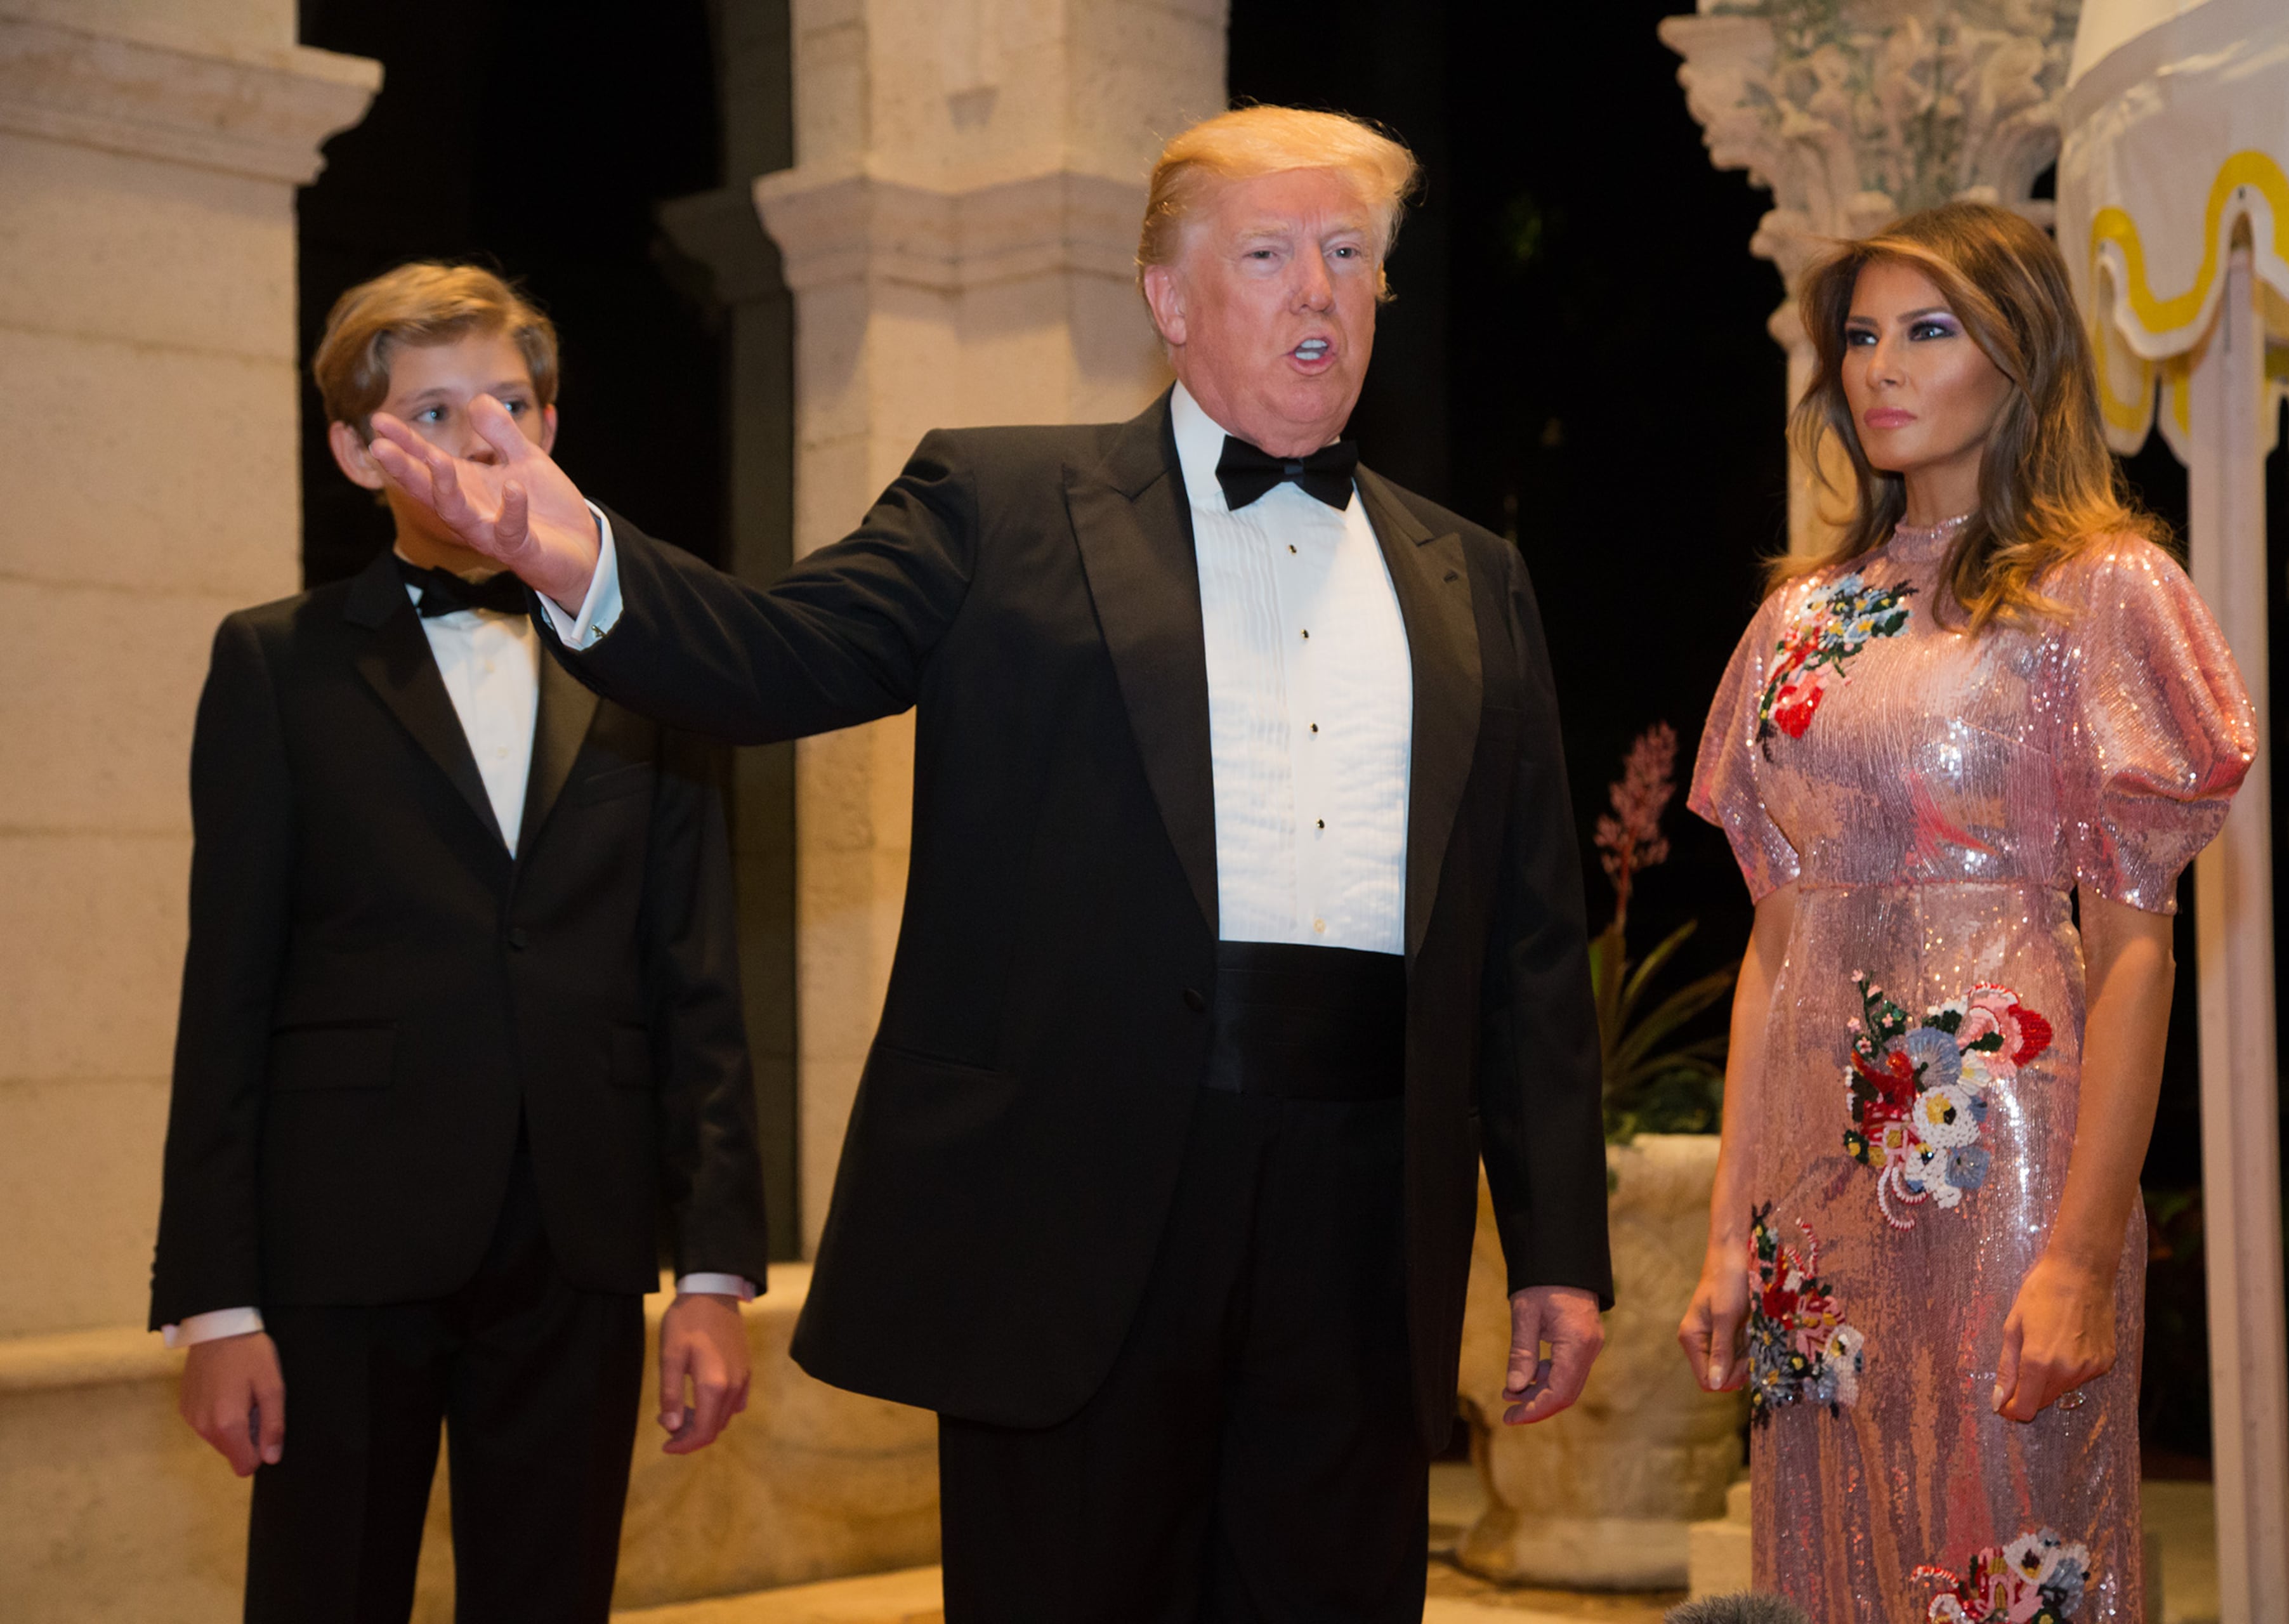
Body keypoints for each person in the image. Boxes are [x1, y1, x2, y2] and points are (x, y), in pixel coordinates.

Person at [366, 107, 1613, 1622]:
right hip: (1076, 1211)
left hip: (1363, 1220)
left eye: (1351, 256)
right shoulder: (1002, 500)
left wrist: (1558, 1247)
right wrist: (583, 562)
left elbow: (1533, 944)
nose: (1321, 294)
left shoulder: (1469, 571)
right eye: (1273, 253)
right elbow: (778, 656)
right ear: (1167, 297)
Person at [152, 263, 767, 1624]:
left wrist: (714, 1275)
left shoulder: (642, 653)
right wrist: (216, 1305)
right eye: (433, 409)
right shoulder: (277, 665)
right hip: (338, 1242)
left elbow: (697, 975)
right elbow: (227, 992)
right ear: (361, 448)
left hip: (582, 1237)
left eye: (505, 400)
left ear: (547, 427)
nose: (479, 433)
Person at [1675, 200, 2257, 1624]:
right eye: (1863, 335)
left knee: (2005, 1546)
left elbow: (2135, 954)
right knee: (1825, 1556)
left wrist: (2082, 1246)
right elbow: (1775, 942)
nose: (1882, 365)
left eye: (1928, 330)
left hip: (2002, 1158)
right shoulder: (1800, 619)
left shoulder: (2103, 590)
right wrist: (1722, 1231)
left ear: (2023, 354)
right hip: (1812, 1185)